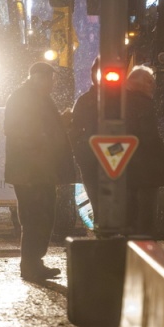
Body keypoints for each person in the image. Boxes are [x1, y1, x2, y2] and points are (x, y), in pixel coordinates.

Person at [4, 62, 77, 281]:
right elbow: (18, 130)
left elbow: (41, 127)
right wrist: (46, 134)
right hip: (30, 171)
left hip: (40, 170)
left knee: (43, 216)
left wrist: (58, 125)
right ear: (38, 78)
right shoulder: (23, 98)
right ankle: (30, 265)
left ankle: (35, 262)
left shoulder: (36, 97)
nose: (53, 84)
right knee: (34, 217)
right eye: (50, 80)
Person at [125, 65, 164, 237]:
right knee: (145, 213)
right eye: (150, 82)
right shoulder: (145, 105)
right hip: (145, 168)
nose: (153, 86)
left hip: (128, 167)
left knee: (131, 210)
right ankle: (145, 246)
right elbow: (148, 136)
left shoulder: (122, 102)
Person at [69, 58, 100, 218]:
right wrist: (82, 151)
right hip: (90, 157)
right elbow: (74, 130)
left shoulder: (125, 100)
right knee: (95, 194)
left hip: (119, 157)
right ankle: (100, 222)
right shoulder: (84, 101)